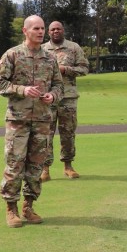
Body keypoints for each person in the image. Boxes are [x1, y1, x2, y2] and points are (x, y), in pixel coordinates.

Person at [0, 15, 63, 227]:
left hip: (42, 121)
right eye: (36, 28)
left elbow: (59, 86)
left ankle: (28, 207)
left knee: (35, 167)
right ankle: (11, 209)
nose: (41, 32)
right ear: (25, 31)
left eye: (42, 28)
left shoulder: (50, 59)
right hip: (18, 121)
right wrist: (22, 90)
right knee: (15, 164)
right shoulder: (12, 55)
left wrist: (53, 96)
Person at [41, 20, 89, 180]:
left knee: (68, 133)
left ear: (63, 31)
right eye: (53, 29)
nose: (56, 31)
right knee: (46, 133)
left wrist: (66, 69)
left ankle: (68, 166)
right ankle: (45, 169)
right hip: (47, 98)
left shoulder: (73, 48)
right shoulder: (41, 49)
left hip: (68, 98)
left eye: (59, 29)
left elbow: (84, 69)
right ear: (49, 32)